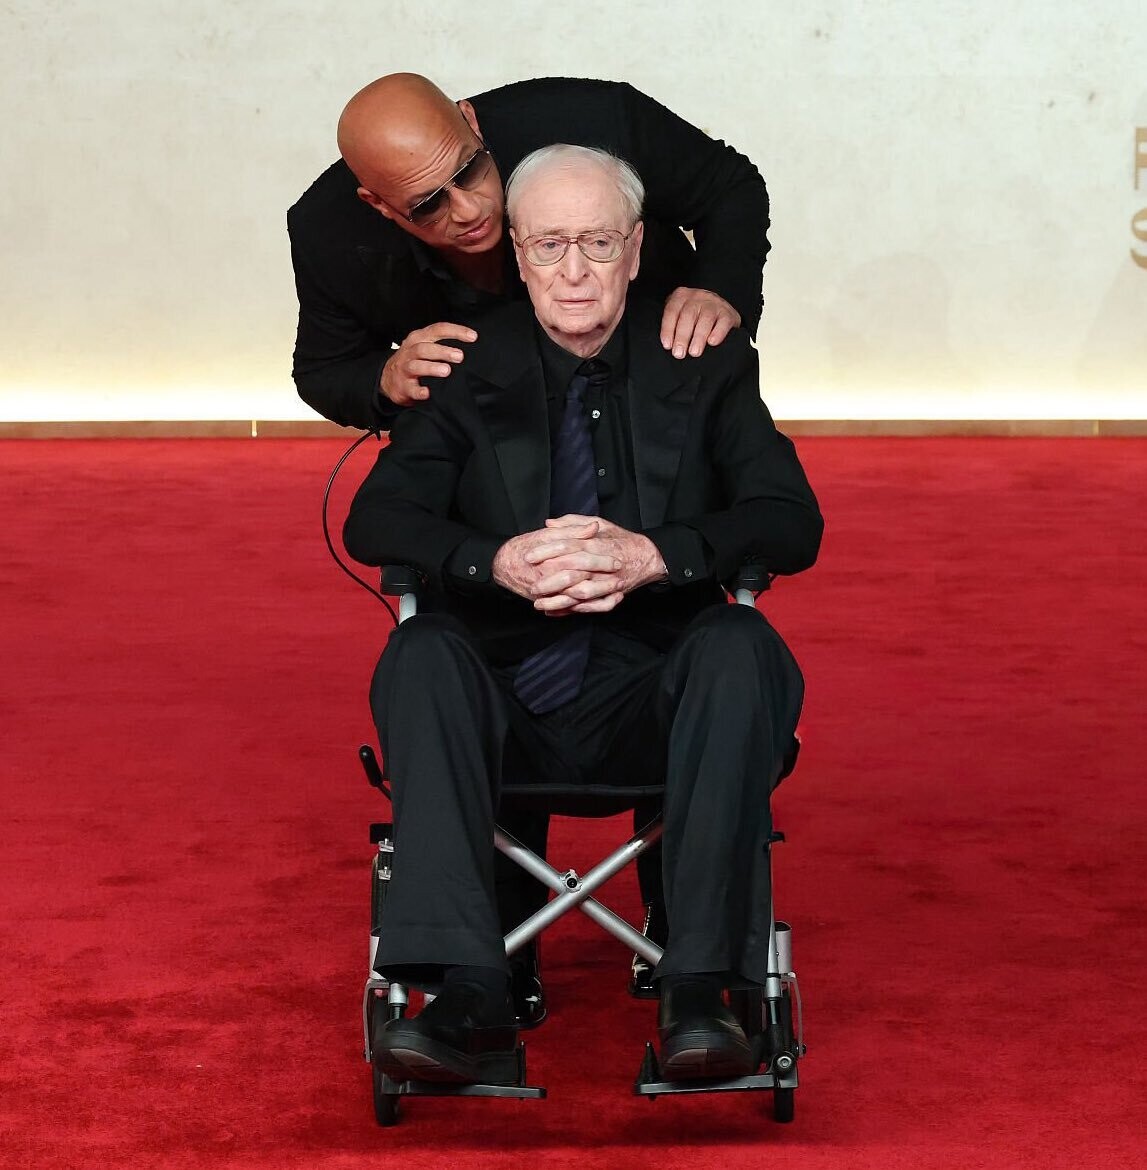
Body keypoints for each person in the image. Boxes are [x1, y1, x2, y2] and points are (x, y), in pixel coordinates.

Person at [343, 144, 822, 1085]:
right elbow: (377, 519)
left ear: (635, 251)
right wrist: (493, 561)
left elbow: (789, 521)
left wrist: (658, 555)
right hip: (500, 699)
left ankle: (698, 992)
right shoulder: (463, 364)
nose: (573, 271)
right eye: (549, 244)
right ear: (516, 255)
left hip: (663, 699)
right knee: (421, 650)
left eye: (597, 243)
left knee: (741, 641)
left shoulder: (704, 359)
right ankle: (466, 997)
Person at [289, 73, 770, 431]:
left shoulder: (595, 121)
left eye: (469, 170)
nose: (468, 211)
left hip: (665, 379)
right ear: (378, 204)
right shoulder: (327, 231)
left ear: (471, 121)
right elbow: (324, 370)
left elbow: (731, 187)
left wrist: (719, 289)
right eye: (429, 205)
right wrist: (385, 377)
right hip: (492, 434)